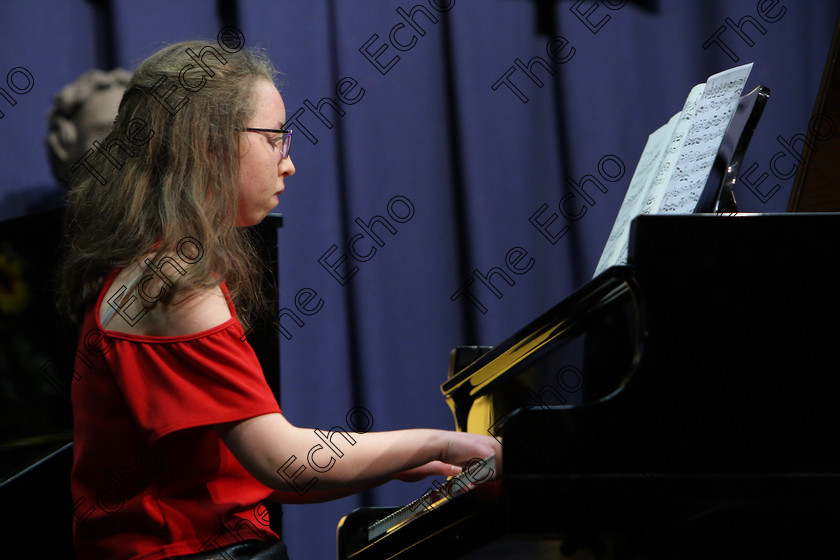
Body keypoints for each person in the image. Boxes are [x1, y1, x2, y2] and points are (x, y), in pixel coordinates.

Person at [57, 37, 501, 560]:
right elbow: (285, 461)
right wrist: (441, 443)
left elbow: (261, 472)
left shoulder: (157, 267)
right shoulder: (173, 283)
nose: (287, 164)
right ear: (210, 145)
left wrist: (395, 458)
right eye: (274, 140)